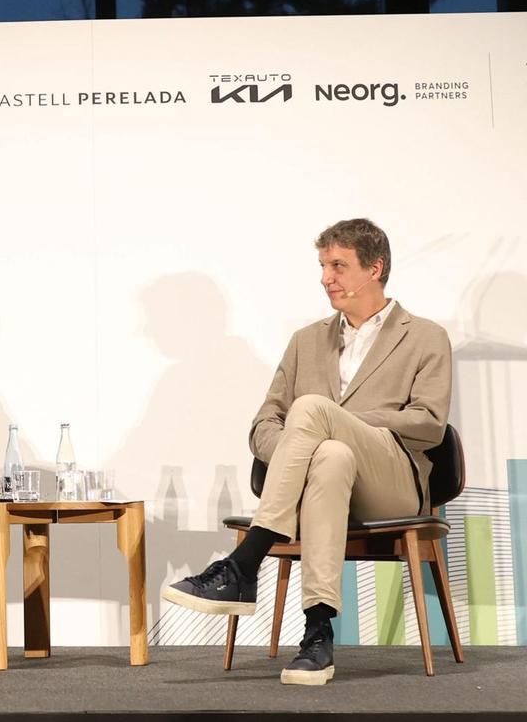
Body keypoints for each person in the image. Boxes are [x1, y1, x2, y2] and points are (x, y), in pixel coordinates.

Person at [162, 218, 451, 686]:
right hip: (323, 481)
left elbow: (429, 423)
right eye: (322, 266)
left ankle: (243, 564)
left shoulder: (424, 336)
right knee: (331, 455)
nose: (325, 277)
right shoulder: (306, 340)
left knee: (316, 411)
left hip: (391, 482)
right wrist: (314, 446)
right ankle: (317, 635)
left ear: (375, 268)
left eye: (338, 265)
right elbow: (263, 426)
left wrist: (344, 423)